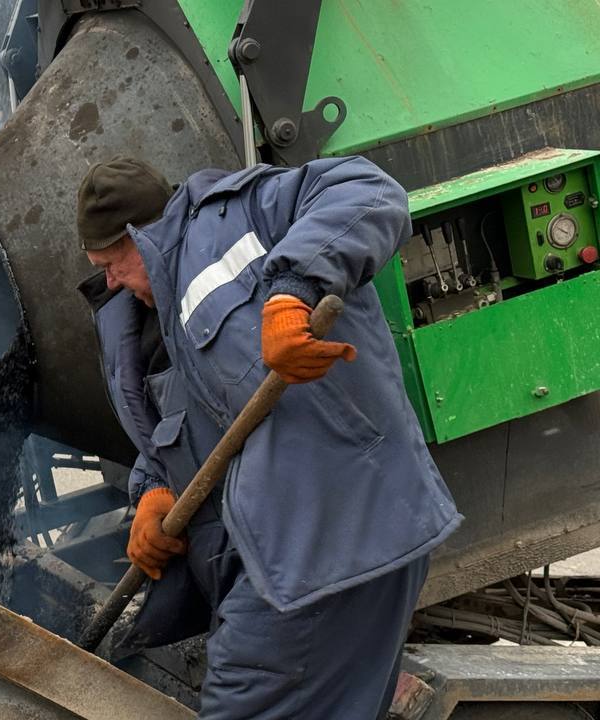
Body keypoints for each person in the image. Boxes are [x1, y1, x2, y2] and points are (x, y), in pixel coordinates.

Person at [76, 156, 462, 718]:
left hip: (334, 537)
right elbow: (193, 420)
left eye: (111, 263)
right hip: (279, 557)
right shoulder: (163, 316)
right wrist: (153, 488)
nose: (109, 282)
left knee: (244, 697)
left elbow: (372, 190)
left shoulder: (242, 214)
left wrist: (291, 292)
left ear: (140, 236)